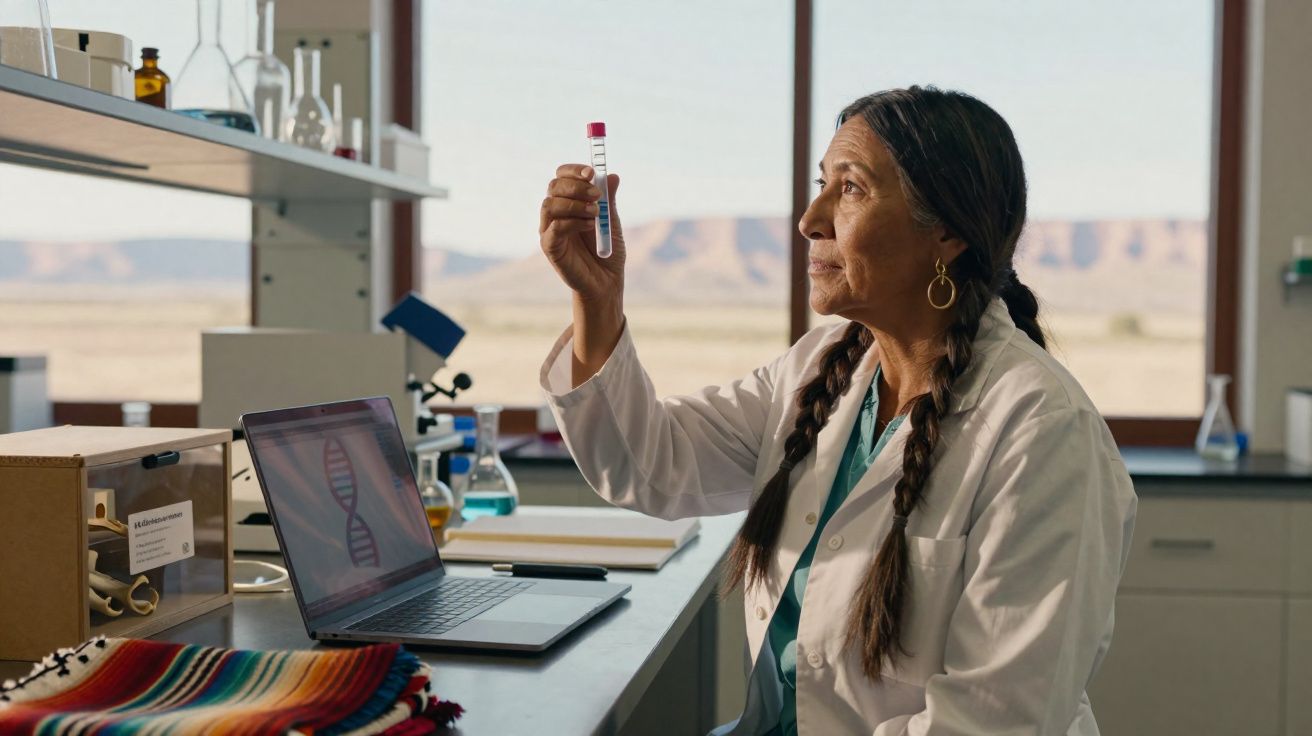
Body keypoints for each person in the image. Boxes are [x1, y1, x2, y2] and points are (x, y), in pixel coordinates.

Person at [537, 86, 1137, 735]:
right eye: (823, 183)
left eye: (849, 189)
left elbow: (994, 722)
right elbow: (650, 465)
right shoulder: (822, 370)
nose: (810, 218)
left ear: (948, 233)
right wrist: (597, 302)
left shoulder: (1042, 431)